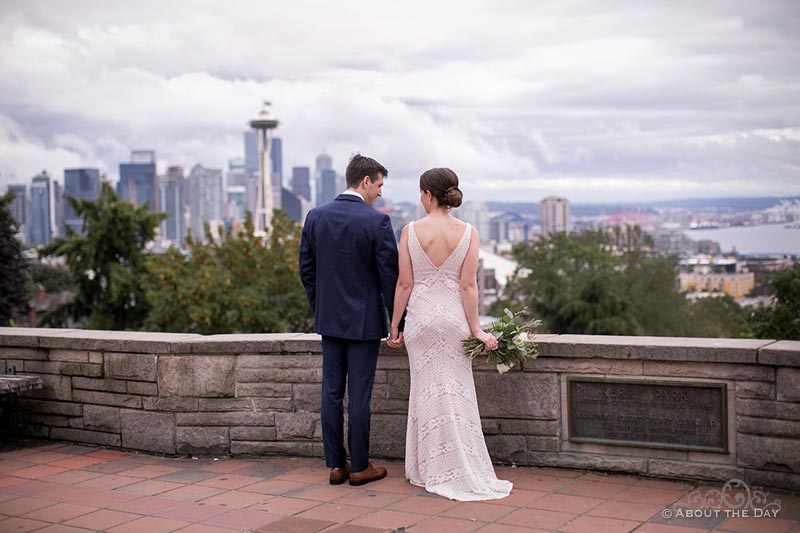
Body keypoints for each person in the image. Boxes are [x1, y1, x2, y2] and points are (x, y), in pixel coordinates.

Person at [387, 167, 512, 501]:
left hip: (422, 322)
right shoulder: (469, 232)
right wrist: (477, 330)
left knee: (425, 390)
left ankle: (427, 467)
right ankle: (460, 463)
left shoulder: (410, 231)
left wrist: (394, 326)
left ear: (428, 194)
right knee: (457, 392)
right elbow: (469, 286)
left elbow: (405, 284)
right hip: (455, 321)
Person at [299, 153, 402, 487]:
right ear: (366, 181)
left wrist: (322, 306)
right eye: (380, 185)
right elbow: (389, 277)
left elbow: (307, 270)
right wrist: (396, 322)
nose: (380, 193)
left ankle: (336, 466)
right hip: (364, 323)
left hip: (329, 320)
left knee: (330, 392)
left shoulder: (316, 216)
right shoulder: (377, 222)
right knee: (358, 396)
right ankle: (359, 466)